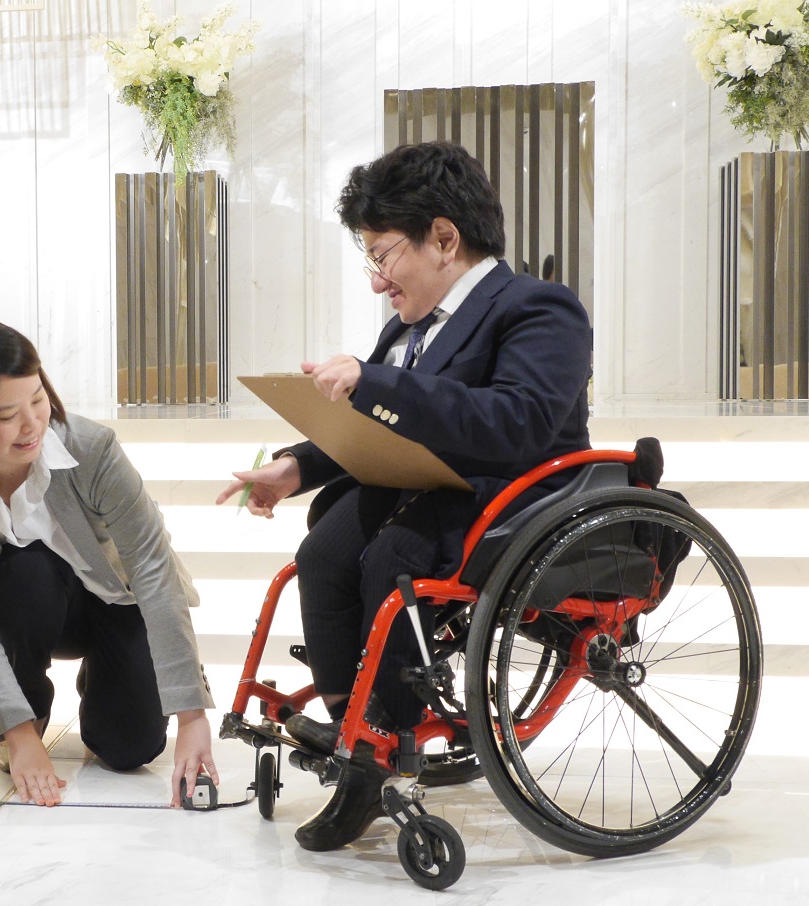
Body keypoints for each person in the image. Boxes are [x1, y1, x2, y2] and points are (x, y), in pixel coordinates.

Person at [216, 141, 592, 851]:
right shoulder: (410, 324)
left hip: (505, 497)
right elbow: (376, 422)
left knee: (393, 559)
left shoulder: (539, 308)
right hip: (421, 487)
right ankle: (353, 734)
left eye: (382, 255)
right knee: (322, 553)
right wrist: (293, 469)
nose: (375, 281)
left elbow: (520, 421)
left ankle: (381, 743)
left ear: (444, 238)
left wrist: (376, 380)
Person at [0, 318, 219, 808]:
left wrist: (191, 714)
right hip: (36, 607)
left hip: (121, 600)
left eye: (37, 399)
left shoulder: (91, 449)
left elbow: (151, 567)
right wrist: (17, 734)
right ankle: (28, 712)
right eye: (7, 415)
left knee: (130, 748)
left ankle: (103, 678)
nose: (32, 424)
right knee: (23, 569)